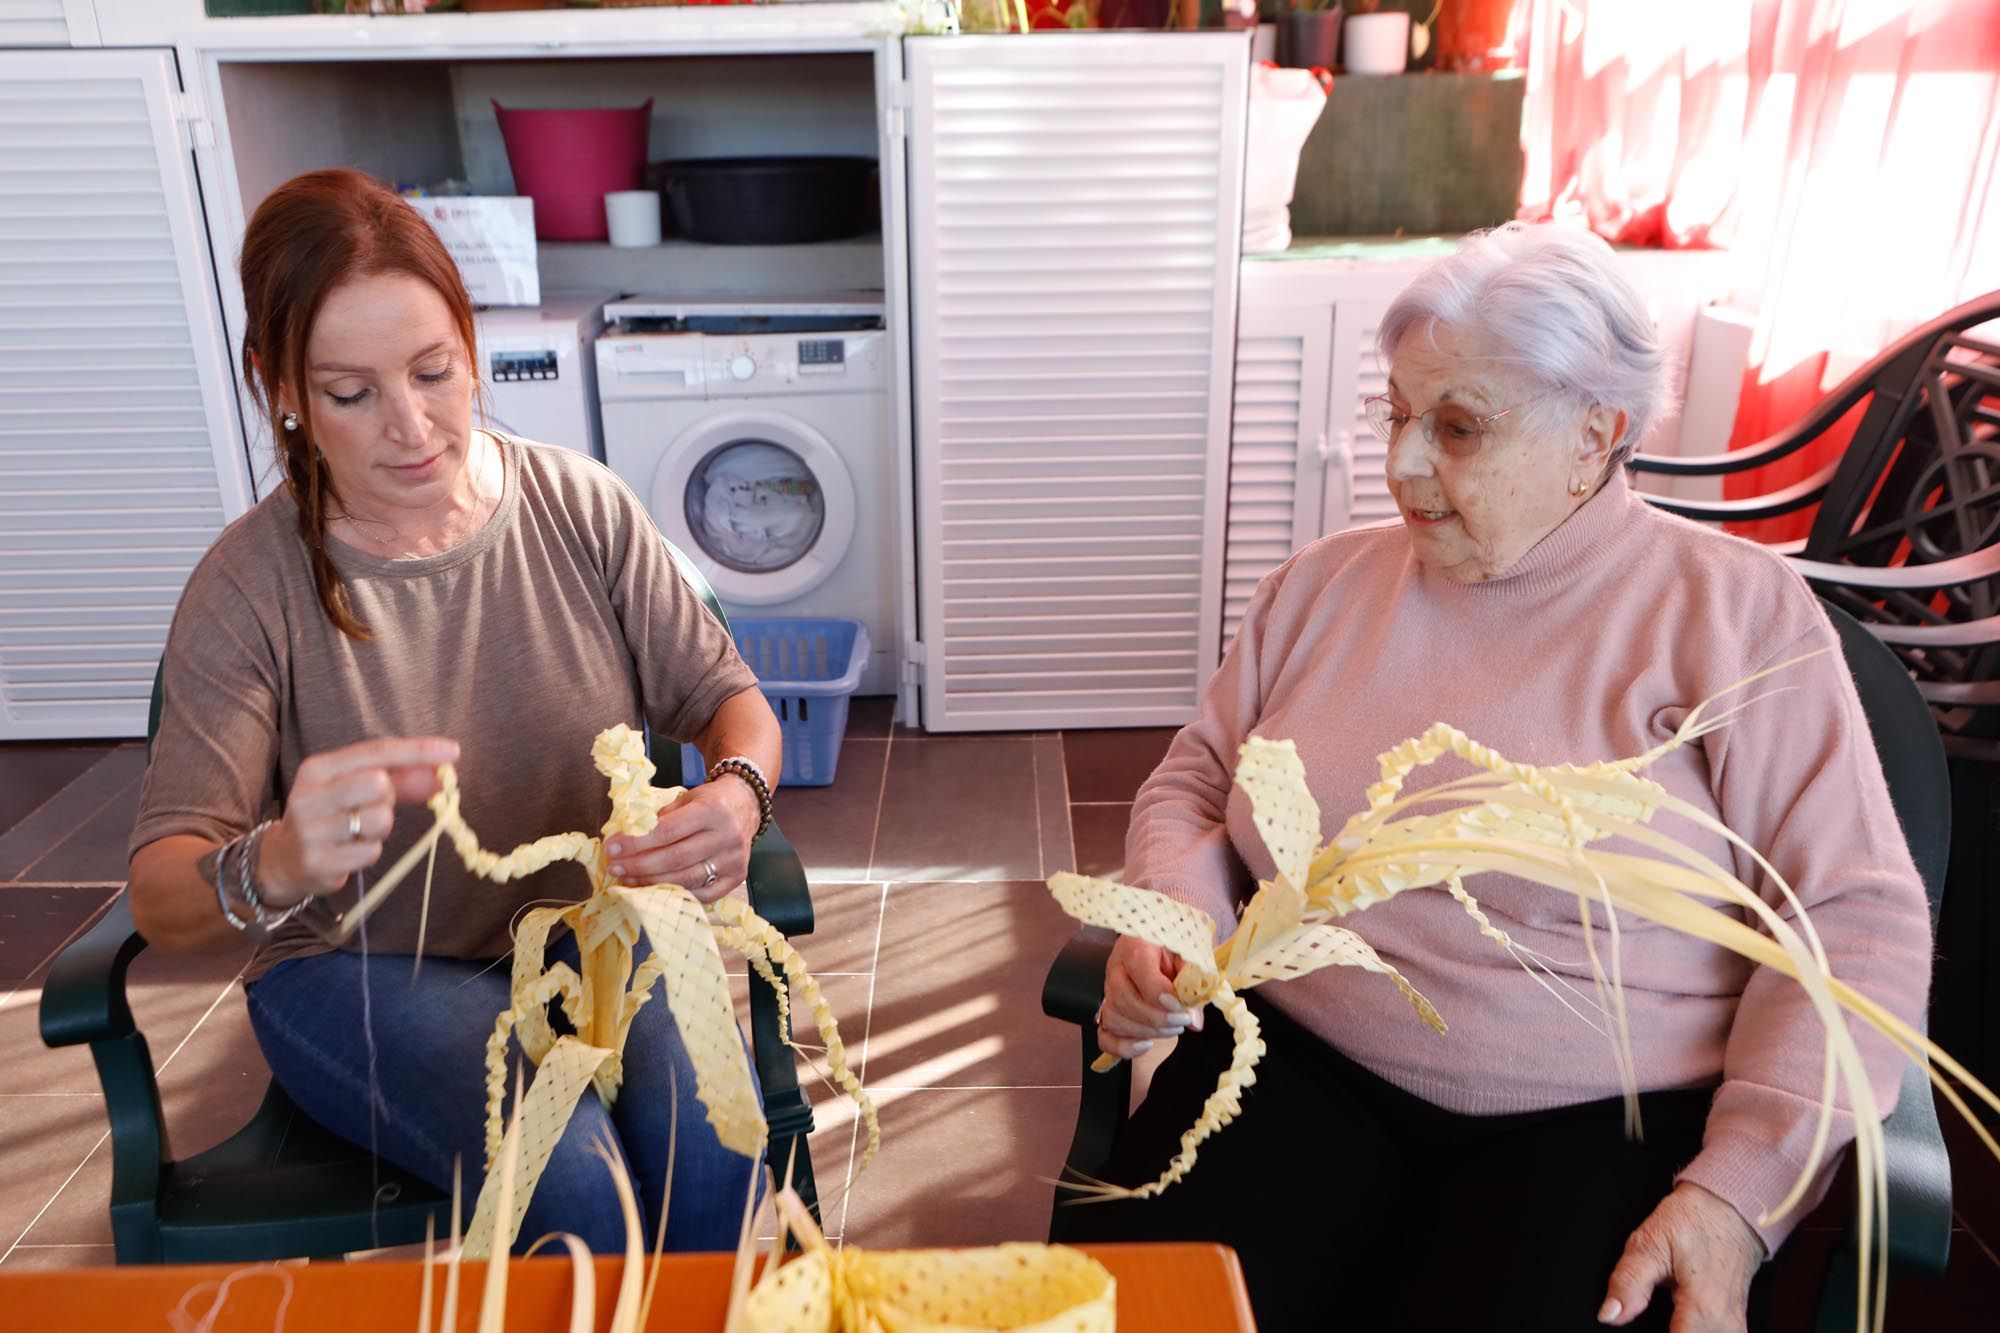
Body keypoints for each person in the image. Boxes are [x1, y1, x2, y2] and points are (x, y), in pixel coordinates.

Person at [1053, 223, 1932, 1332]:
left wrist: (1737, 1190)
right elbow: (1194, 781)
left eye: (1457, 427)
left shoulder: (1735, 618)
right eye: (1397, 415)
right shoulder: (1320, 588)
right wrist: (1177, 910)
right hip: (1296, 1059)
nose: (1402, 463)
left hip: (1594, 1121)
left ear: (1595, 435)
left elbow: (1852, 922)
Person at [126, 168, 784, 1254]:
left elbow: (731, 704)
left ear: (469, 346)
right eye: (351, 393)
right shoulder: (247, 589)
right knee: (577, 1193)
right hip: (361, 970)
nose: (412, 425)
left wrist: (738, 792)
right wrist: (280, 861)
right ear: (279, 386)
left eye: (435, 371)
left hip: (600, 929)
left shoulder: (579, 505)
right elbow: (162, 893)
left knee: (715, 1154)